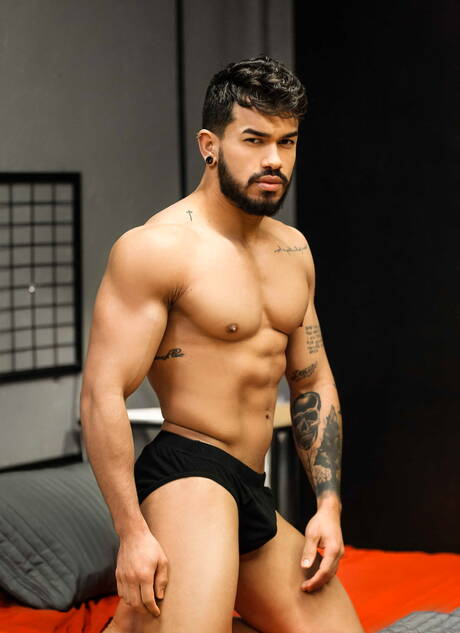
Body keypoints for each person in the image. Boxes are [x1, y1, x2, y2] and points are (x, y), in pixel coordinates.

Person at [80, 55, 364, 633]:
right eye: (254, 140)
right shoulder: (157, 248)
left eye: (287, 142)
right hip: (189, 472)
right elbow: (101, 393)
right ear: (209, 146)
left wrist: (328, 505)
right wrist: (132, 532)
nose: (273, 159)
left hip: (250, 484)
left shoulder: (293, 250)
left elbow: (312, 381)